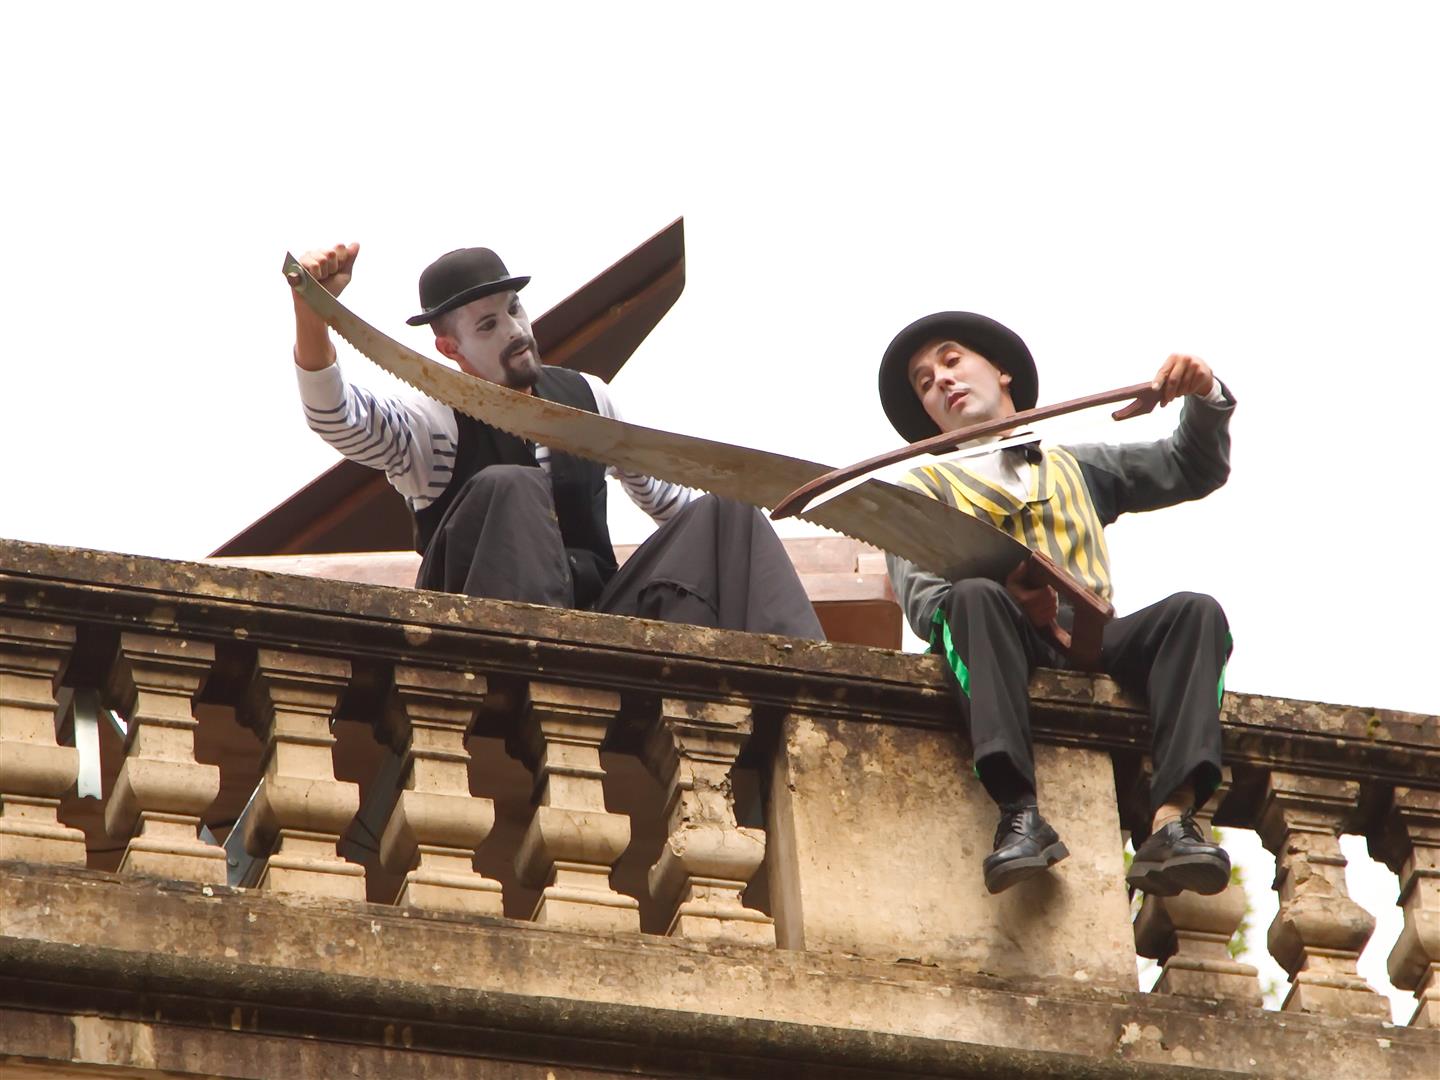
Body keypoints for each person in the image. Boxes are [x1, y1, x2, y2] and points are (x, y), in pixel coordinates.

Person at [288, 242, 823, 640]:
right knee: (513, 486)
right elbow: (336, 417)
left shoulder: (588, 399)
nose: (515, 331)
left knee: (729, 515)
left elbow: (670, 502)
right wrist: (313, 314)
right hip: (484, 636)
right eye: (488, 325)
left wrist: (783, 504)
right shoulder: (433, 425)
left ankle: (809, 700)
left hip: (599, 627)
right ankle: (538, 679)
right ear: (451, 349)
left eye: (514, 309)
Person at [877, 311, 1233, 896]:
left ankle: (1171, 819)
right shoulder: (921, 489)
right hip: (996, 639)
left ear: (1002, 372)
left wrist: (1205, 393)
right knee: (971, 599)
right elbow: (926, 606)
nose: (940, 379)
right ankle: (1019, 815)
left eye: (951, 360)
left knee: (1196, 614)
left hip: (1091, 634)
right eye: (924, 382)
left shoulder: (1077, 465)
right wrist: (1010, 599)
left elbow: (1191, 467)